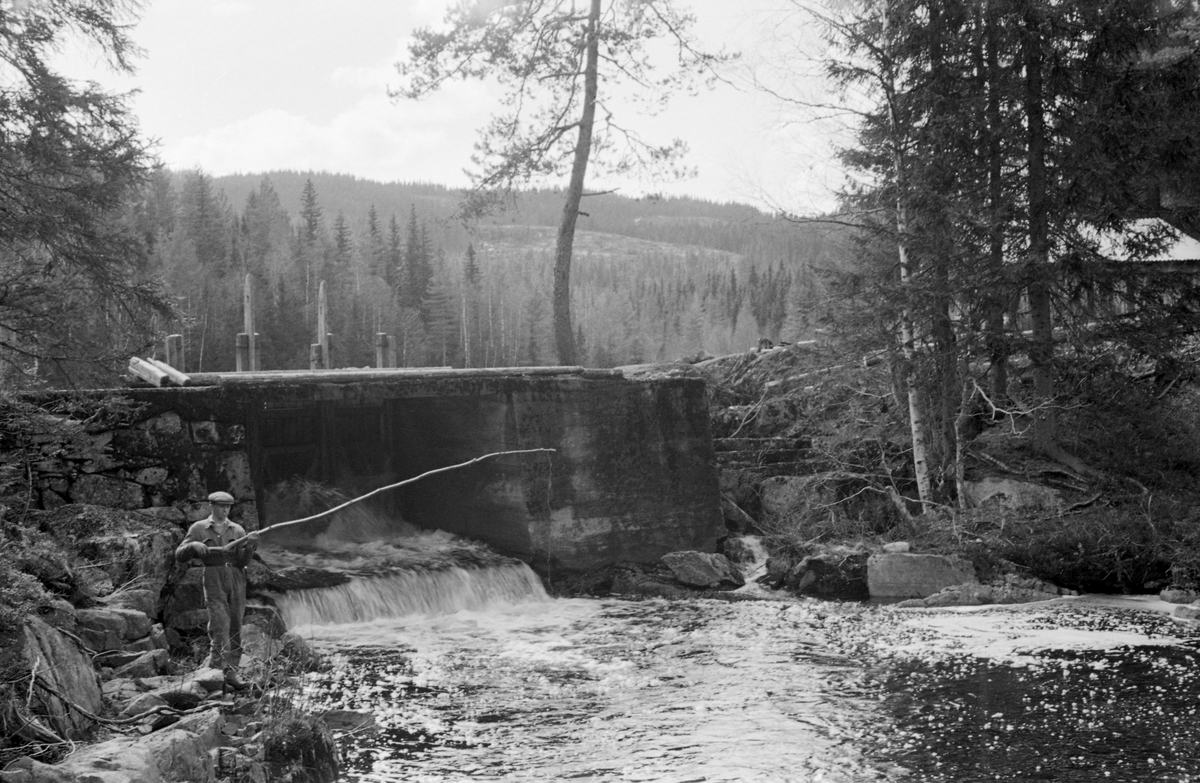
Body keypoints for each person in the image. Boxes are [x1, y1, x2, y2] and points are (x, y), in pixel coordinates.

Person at [175, 491, 259, 690]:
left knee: (235, 626)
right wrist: (193, 545)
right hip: (213, 578)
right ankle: (215, 675)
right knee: (219, 626)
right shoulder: (198, 528)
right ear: (211, 506)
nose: (225, 510)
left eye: (228, 507)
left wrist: (250, 548)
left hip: (237, 577)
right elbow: (179, 555)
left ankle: (231, 673)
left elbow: (242, 561)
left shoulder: (238, 530)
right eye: (221, 506)